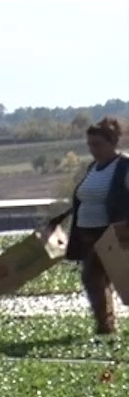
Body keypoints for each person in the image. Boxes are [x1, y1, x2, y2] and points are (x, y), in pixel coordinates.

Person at [60, 117, 129, 336]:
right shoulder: (93, 167)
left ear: (112, 143)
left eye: (97, 144)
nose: (93, 149)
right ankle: (105, 327)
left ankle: (105, 328)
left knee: (98, 277)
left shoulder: (124, 167)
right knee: (96, 279)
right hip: (88, 235)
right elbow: (85, 197)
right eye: (90, 144)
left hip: (111, 236)